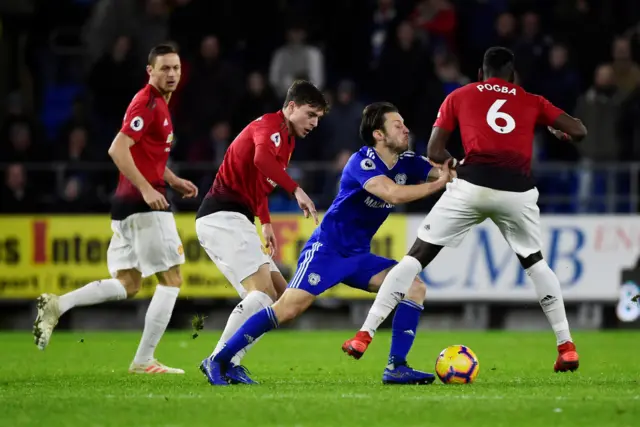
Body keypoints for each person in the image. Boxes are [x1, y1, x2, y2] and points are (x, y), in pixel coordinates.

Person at [343, 47, 587, 373]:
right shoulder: (531, 99)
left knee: (414, 259)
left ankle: (364, 334)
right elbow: (579, 131)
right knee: (536, 263)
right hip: (518, 190)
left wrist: (459, 166)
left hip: (471, 185)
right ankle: (566, 346)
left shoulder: (460, 95)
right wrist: (557, 130)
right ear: (512, 76)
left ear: (480, 74)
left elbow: (434, 150)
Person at [201, 102, 452, 386]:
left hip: (359, 256)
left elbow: (448, 172)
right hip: (327, 250)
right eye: (397, 125)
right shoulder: (362, 161)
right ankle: (219, 359)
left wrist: (465, 168)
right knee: (287, 309)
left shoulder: (409, 162)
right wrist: (438, 184)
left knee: (414, 287)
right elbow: (391, 193)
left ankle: (396, 366)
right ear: (378, 134)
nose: (406, 128)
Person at [33, 44, 199, 374]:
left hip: (126, 206)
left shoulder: (160, 106)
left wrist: (172, 178)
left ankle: (57, 304)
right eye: (164, 68)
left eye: (176, 68)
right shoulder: (147, 102)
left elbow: (144, 155)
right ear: (149, 71)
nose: (171, 74)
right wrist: (148, 187)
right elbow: (118, 149)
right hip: (143, 205)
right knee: (172, 278)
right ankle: (143, 360)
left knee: (129, 283)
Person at [195, 80, 327, 384]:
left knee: (283, 295)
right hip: (222, 216)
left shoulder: (287, 140)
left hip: (236, 218)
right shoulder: (270, 126)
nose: (314, 123)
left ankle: (230, 360)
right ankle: (218, 360)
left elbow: (259, 182)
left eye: (318, 118)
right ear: (291, 106)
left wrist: (265, 221)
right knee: (262, 294)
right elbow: (261, 161)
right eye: (310, 114)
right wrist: (296, 190)